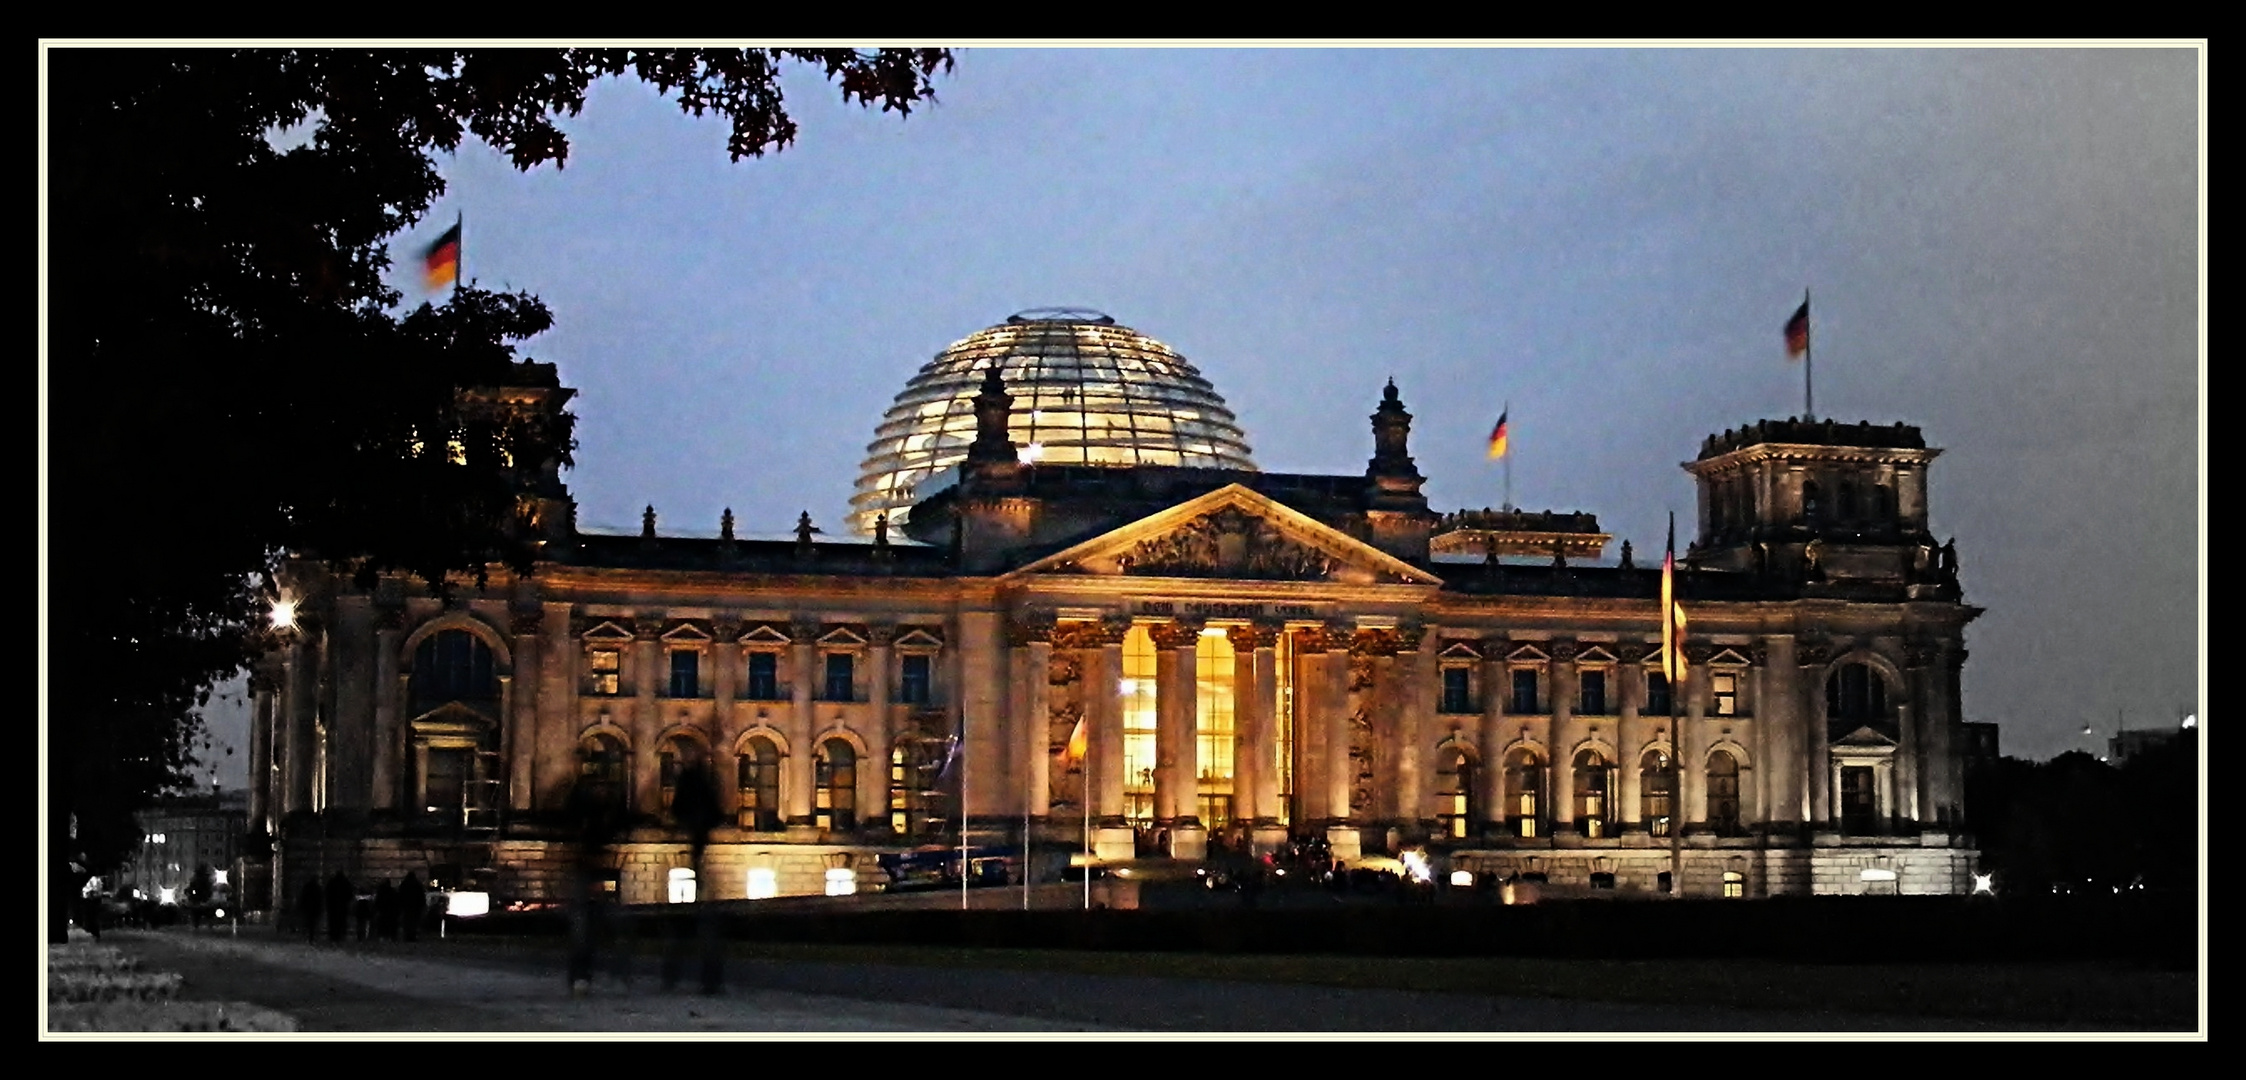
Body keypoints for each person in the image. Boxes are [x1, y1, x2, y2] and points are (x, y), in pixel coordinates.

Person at [399, 872, 427, 942]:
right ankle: (413, 936)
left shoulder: (404, 884)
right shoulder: (417, 885)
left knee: (407, 921)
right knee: (414, 922)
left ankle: (407, 936)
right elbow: (421, 896)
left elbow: (400, 895)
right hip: (416, 906)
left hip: (407, 906)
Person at [325, 872, 352, 943]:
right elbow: (349, 894)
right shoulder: (345, 883)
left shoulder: (332, 883)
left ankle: (334, 935)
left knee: (333, 922)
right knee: (341, 921)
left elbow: (327, 894)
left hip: (333, 906)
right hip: (342, 906)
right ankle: (341, 935)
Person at [296, 878, 323, 944]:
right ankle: (311, 937)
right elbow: (320, 899)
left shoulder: (307, 887)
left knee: (307, 922)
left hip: (307, 908)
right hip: (314, 908)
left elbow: (303, 897)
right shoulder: (317, 888)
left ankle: (307, 935)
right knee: (313, 924)